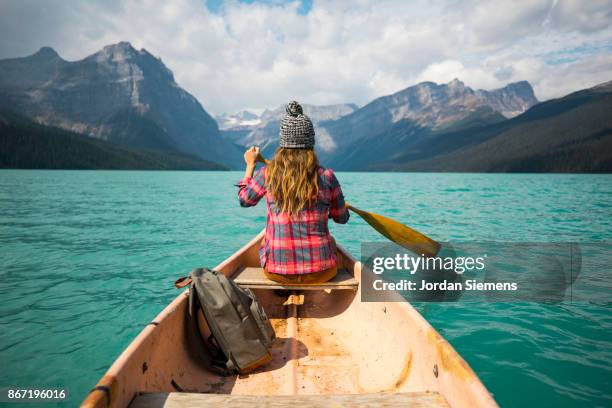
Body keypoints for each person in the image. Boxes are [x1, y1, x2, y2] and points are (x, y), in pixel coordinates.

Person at [236, 101, 349, 284]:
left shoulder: (267, 174)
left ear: (282, 143)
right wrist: (335, 207)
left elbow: (244, 200)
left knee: (265, 242)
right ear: (310, 143)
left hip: (277, 273)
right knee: (332, 242)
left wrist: (250, 165)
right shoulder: (327, 176)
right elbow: (341, 218)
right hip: (321, 273)